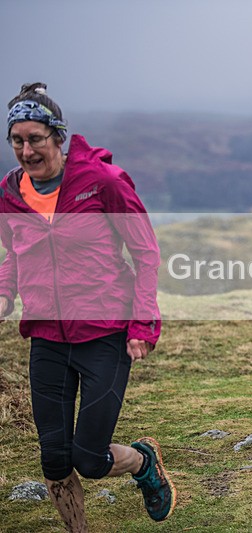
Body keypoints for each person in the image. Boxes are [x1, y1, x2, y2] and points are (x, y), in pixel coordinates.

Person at [0, 83, 175, 531]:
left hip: (105, 334)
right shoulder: (10, 195)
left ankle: (142, 462)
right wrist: (5, 293)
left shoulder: (104, 183)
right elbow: (14, 254)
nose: (26, 149)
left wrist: (143, 324)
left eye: (35, 138)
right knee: (55, 460)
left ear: (58, 136)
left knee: (89, 459)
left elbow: (146, 253)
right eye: (17, 140)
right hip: (46, 337)